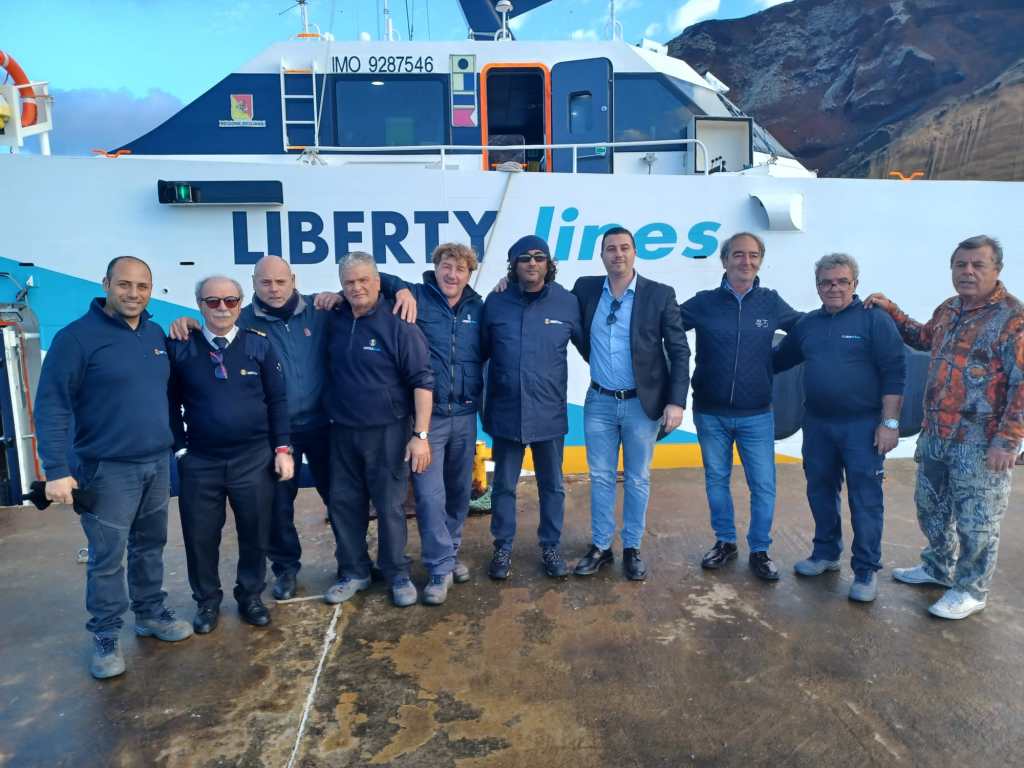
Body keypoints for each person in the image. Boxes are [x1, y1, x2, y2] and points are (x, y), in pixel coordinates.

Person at [168, 257, 415, 600]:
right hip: (275, 432)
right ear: (253, 283)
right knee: (278, 507)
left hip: (325, 426)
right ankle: (285, 569)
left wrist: (400, 287)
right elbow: (212, 324)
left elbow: (362, 281)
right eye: (266, 282)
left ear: (293, 279)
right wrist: (186, 323)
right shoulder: (242, 319)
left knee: (344, 501)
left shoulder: (321, 308)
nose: (274, 289)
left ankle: (353, 564)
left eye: (281, 281)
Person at [35, 255, 193, 679]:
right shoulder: (76, 338)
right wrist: (56, 469)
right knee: (107, 557)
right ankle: (105, 635)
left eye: (142, 286)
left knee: (150, 545)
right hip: (107, 470)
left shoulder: (155, 334)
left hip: (157, 463)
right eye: (124, 284)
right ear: (106, 284)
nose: (133, 293)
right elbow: (51, 405)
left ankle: (150, 613)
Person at [865, 235, 1024, 619]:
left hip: (981, 442)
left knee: (978, 521)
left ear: (996, 269)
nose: (967, 272)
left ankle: (971, 589)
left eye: (977, 265)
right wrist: (892, 311)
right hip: (936, 433)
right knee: (930, 508)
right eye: (960, 264)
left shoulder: (1013, 319)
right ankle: (938, 567)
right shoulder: (950, 309)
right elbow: (922, 337)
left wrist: (1008, 440)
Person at [773, 254, 906, 602]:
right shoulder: (808, 324)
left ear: (855, 284)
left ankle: (865, 570)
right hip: (817, 424)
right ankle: (826, 553)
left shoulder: (875, 320)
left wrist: (890, 423)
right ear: (817, 286)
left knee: (865, 499)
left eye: (842, 281)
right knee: (820, 491)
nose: (834, 288)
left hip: (863, 427)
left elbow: (895, 373)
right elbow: (776, 360)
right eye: (826, 282)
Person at [168, 276, 294, 635]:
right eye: (213, 302)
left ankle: (250, 596)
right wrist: (181, 450)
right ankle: (207, 601)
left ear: (241, 304)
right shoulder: (181, 347)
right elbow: (168, 403)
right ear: (199, 305)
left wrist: (282, 449)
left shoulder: (259, 344)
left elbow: (277, 401)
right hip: (201, 460)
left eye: (230, 301)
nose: (222, 308)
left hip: (252, 458)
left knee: (255, 531)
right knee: (200, 535)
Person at [569, 226, 690, 580]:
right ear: (601, 255)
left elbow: (679, 351)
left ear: (635, 252)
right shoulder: (585, 289)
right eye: (611, 248)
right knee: (600, 477)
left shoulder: (659, 295)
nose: (618, 254)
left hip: (642, 405)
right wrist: (507, 282)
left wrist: (676, 402)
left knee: (637, 479)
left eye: (624, 247)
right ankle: (601, 546)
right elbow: (554, 305)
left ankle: (632, 548)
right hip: (599, 402)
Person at [680, 232, 801, 581]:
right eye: (738, 254)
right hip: (710, 413)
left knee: (763, 485)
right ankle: (725, 542)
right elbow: (664, 324)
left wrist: (774, 362)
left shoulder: (771, 303)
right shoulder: (704, 302)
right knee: (716, 481)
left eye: (752, 255)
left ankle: (760, 550)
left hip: (757, 414)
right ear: (724, 260)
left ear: (760, 261)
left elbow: (806, 329)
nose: (745, 261)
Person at [322, 252, 435, 608]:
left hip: (388, 432)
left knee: (389, 507)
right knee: (344, 505)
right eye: (349, 282)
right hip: (342, 431)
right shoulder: (334, 317)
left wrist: (420, 435)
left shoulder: (399, 323)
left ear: (377, 282)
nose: (357, 287)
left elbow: (422, 381)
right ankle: (354, 571)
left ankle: (397, 573)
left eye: (364, 280)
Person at [383, 243, 485, 604]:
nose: (452, 275)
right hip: (429, 418)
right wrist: (399, 287)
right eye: (446, 267)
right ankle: (439, 569)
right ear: (436, 267)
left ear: (469, 274)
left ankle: (449, 553)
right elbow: (373, 278)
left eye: (460, 269)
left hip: (466, 415)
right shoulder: (417, 299)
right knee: (428, 496)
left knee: (459, 493)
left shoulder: (478, 308)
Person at [481, 235, 582, 580]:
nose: (532, 263)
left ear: (549, 263)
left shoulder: (567, 303)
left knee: (552, 486)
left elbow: (592, 348)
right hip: (506, 413)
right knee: (504, 486)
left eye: (540, 257)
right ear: (513, 266)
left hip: (549, 414)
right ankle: (502, 547)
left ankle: (551, 546)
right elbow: (478, 354)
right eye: (524, 258)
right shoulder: (495, 302)